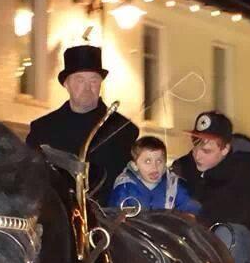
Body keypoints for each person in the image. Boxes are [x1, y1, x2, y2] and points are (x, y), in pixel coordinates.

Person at [172, 111, 250, 263]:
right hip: (199, 233)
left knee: (227, 234)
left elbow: (249, 212)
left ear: (225, 149)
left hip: (241, 238)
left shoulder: (249, 171)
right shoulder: (184, 167)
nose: (197, 155)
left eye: (206, 151)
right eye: (195, 147)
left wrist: (199, 216)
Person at [27, 45, 140, 198]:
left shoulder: (123, 130)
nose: (87, 88)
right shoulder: (42, 129)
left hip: (106, 218)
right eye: (80, 80)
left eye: (93, 80)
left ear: (101, 83)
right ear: (66, 84)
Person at [108, 136, 200, 214]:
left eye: (159, 161)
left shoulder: (174, 186)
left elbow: (191, 210)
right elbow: (115, 218)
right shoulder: (125, 187)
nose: (154, 167)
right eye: (147, 161)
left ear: (165, 163)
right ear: (135, 165)